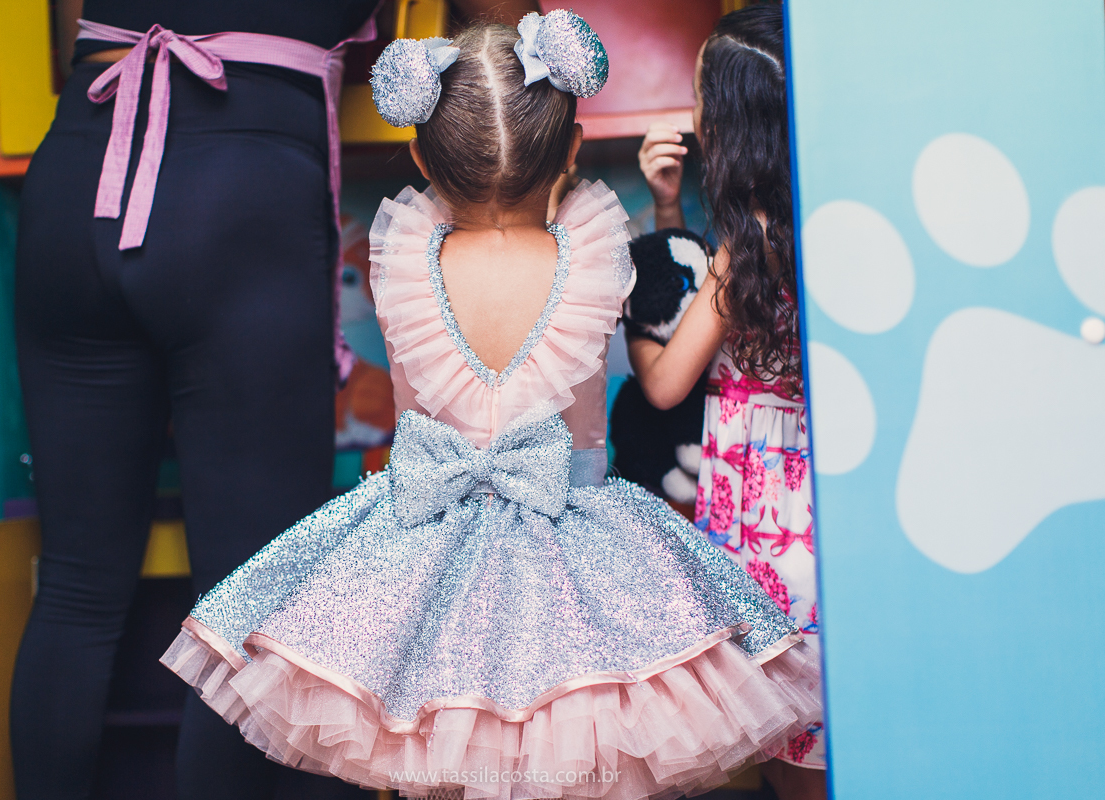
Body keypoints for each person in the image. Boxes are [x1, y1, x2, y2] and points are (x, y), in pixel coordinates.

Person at [161, 11, 822, 800]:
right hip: (577, 552)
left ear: (420, 157)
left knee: (437, 748)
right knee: (576, 747)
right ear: (572, 152)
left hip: (423, 554)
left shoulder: (404, 258)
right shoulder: (594, 253)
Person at [9, 1, 536, 799]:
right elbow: (505, 41)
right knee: (243, 612)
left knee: (76, 592)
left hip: (78, 168)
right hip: (239, 186)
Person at [633, 5, 827, 798]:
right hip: (822, 521)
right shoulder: (822, 230)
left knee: (788, 753)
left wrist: (639, 296)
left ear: (730, 127)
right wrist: (672, 212)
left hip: (762, 538)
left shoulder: (740, 253)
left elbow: (664, 382)